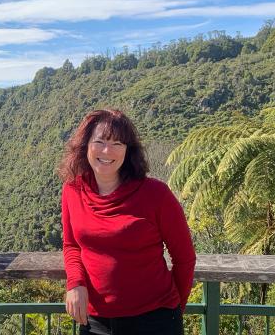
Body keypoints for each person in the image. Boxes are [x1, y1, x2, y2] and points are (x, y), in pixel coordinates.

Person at [59, 109, 196, 335]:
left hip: (154, 320)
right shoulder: (72, 190)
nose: (107, 151)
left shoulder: (156, 194)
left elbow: (184, 258)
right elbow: (72, 245)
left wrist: (173, 311)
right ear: (86, 146)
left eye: (117, 144)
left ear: (128, 151)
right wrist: (75, 283)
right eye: (99, 141)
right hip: (95, 322)